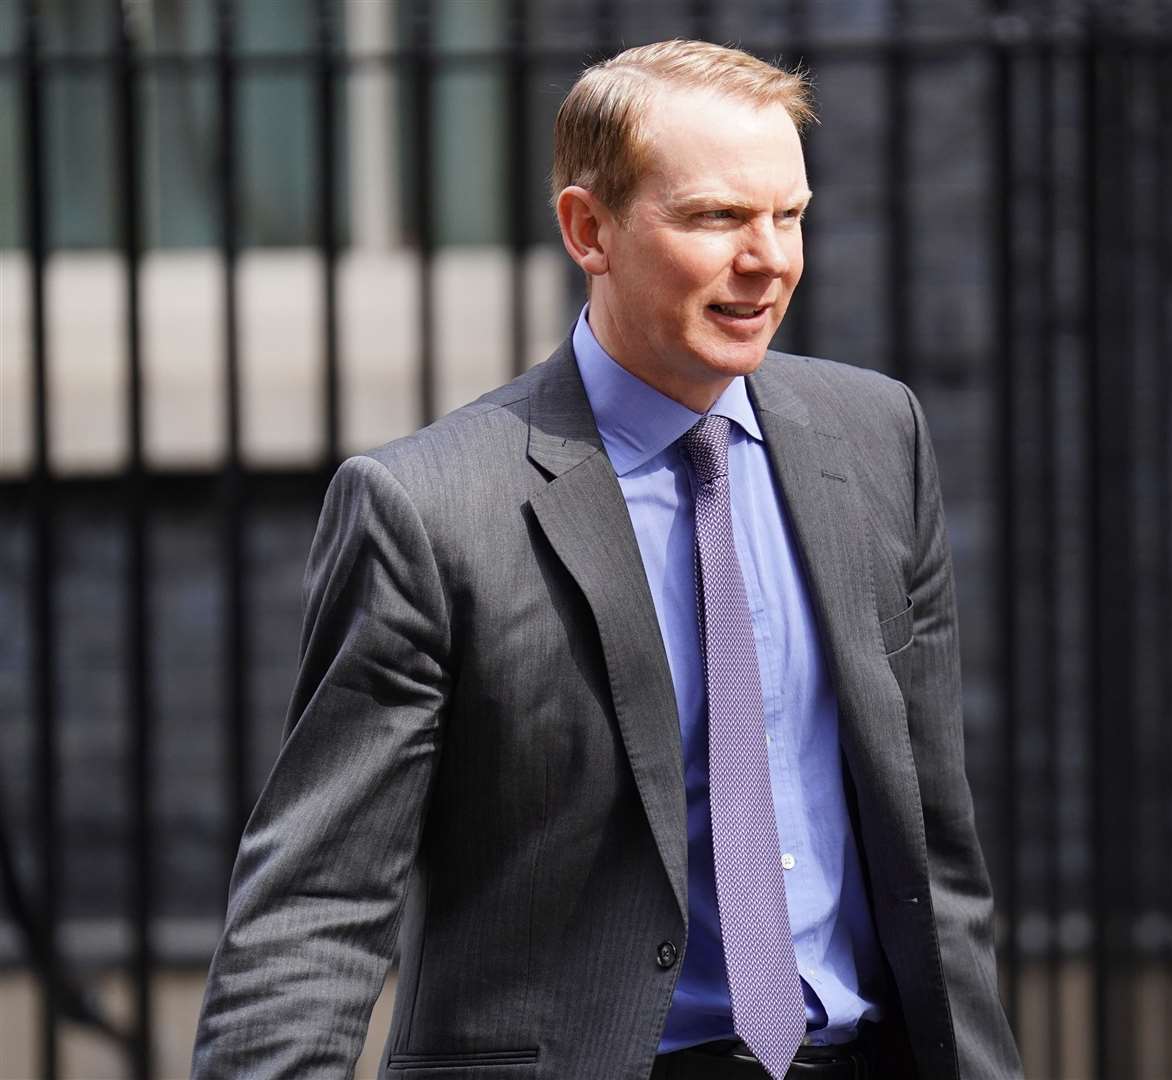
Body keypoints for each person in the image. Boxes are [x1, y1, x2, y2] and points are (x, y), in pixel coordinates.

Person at [192, 39, 1022, 1080]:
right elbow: (318, 900)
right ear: (589, 229)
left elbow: (934, 857)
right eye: (718, 218)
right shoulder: (428, 509)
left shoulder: (876, 439)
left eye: (789, 214)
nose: (767, 258)